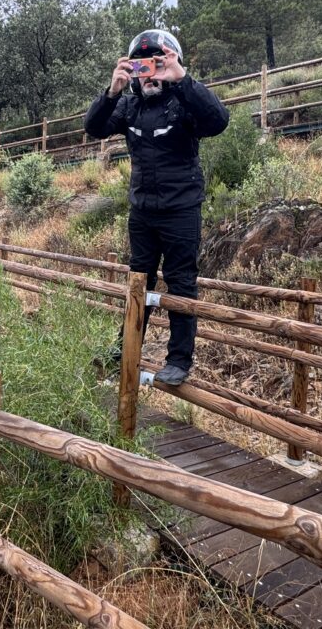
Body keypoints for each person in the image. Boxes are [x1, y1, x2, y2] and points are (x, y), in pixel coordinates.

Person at [84, 29, 229, 385]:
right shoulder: (128, 104)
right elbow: (94, 128)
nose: (149, 73)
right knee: (139, 280)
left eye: (156, 63)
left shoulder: (184, 101)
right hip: (142, 212)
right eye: (141, 65)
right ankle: (124, 349)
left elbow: (218, 121)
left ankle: (179, 360)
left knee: (181, 282)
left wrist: (181, 79)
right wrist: (111, 91)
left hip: (182, 210)